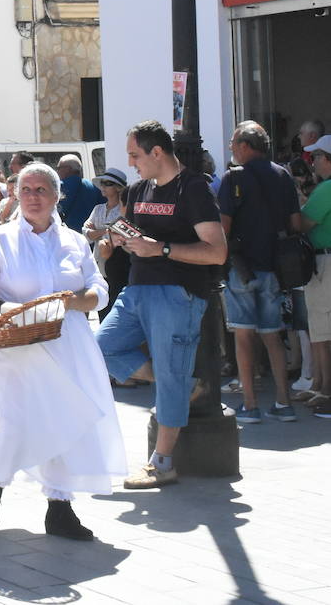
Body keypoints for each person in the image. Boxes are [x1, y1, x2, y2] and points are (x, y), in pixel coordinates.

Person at [0, 163, 127, 540]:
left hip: (69, 343)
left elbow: (97, 287)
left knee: (65, 419)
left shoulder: (74, 241)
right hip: (19, 346)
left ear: (56, 196)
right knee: (18, 422)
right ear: (17, 195)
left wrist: (74, 302)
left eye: (42, 190)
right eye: (27, 189)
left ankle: (60, 509)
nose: (33, 196)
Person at [96, 120, 227, 489]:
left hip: (178, 293)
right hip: (137, 290)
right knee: (99, 350)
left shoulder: (194, 189)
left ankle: (162, 463)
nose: (132, 163)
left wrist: (162, 249)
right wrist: (114, 241)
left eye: (135, 155)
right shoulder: (138, 190)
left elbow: (216, 251)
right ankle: (181, 385)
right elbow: (126, 228)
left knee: (171, 374)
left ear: (157, 152)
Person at [215, 121, 302, 424]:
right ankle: (283, 402)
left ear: (245, 146)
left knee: (243, 337)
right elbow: (294, 223)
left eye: (233, 143)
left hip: (242, 267)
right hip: (274, 267)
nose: (231, 149)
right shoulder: (283, 175)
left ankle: (250, 405)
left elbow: (223, 228)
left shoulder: (233, 178)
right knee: (272, 337)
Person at [295, 135, 331, 418]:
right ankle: (319, 383)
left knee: (322, 328)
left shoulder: (327, 188)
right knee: (318, 327)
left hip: (325, 261)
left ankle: (325, 389)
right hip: (321, 260)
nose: (313, 161)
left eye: (317, 156)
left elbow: (303, 222)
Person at [82, 167, 130, 321]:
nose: (103, 186)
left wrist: (98, 230)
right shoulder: (98, 209)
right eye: (102, 183)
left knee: (115, 306)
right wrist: (107, 229)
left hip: (118, 264)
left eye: (107, 183)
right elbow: (86, 233)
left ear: (118, 188)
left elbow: (121, 235)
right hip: (99, 263)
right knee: (102, 307)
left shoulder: (124, 210)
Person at [57, 154, 104, 232]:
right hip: (89, 235)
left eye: (58, 168)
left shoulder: (60, 186)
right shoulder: (93, 186)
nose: (57, 171)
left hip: (68, 235)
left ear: (68, 169)